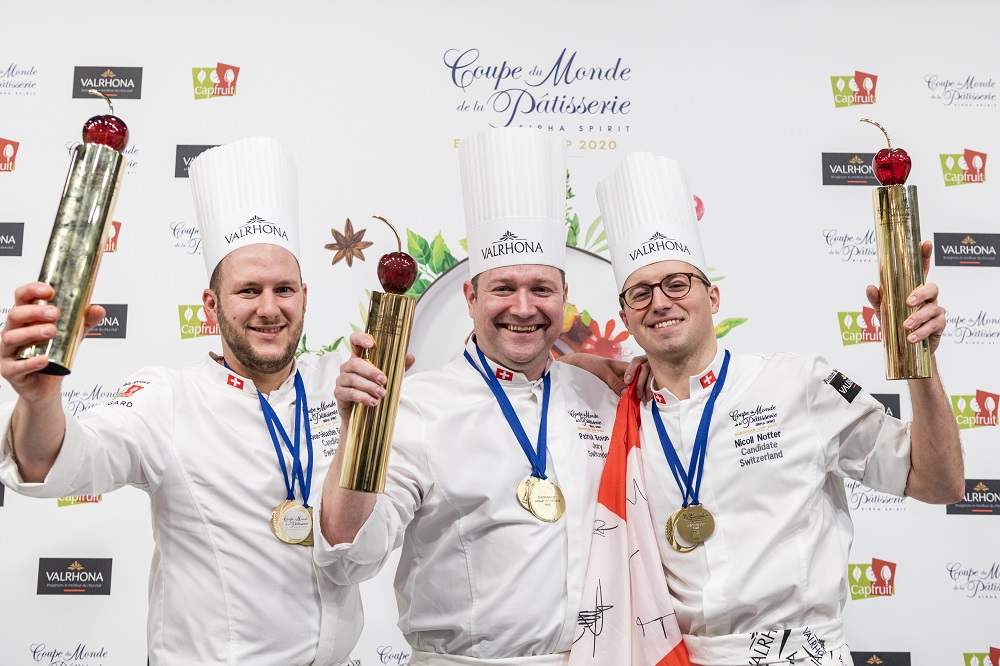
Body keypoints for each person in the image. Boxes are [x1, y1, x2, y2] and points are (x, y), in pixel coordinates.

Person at [581, 151, 964, 666]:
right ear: (625, 316)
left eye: (677, 284)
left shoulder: (799, 383)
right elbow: (528, 375)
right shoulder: (620, 416)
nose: (660, 302)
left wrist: (922, 360)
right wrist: (583, 363)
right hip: (687, 657)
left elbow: (939, 483)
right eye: (640, 293)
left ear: (713, 297)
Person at [0, 137, 360, 665]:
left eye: (284, 289)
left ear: (305, 296)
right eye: (248, 291)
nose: (269, 308)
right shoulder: (168, 398)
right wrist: (39, 399)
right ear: (211, 306)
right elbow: (56, 463)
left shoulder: (339, 384)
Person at [317, 128, 640, 665]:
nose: (523, 307)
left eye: (541, 288)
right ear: (470, 297)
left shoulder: (600, 396)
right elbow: (349, 557)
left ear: (565, 297)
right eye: (502, 288)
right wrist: (357, 434)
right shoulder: (419, 407)